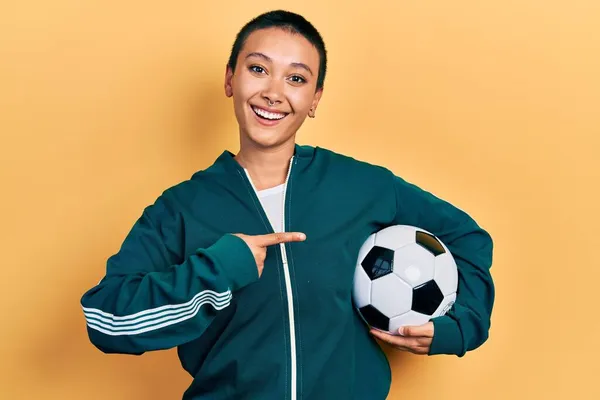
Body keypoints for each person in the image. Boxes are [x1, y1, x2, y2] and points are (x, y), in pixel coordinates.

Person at [80, 9, 495, 400]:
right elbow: (105, 319)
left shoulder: (362, 186)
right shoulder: (180, 210)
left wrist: (457, 329)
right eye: (258, 69)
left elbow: (468, 238)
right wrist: (218, 270)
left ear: (314, 99)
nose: (273, 92)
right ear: (230, 79)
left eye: (296, 79)